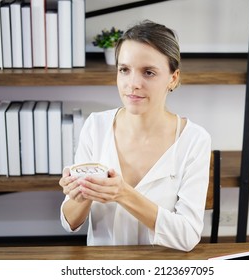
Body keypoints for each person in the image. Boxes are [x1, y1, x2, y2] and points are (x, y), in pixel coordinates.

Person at [59, 20, 211, 252]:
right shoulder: (95, 126)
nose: (133, 84)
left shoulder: (194, 140)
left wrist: (123, 193)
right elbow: (70, 223)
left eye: (148, 72)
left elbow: (187, 236)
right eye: (124, 70)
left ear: (173, 78)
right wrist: (82, 195)